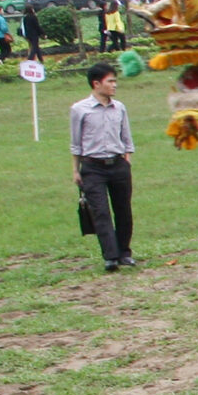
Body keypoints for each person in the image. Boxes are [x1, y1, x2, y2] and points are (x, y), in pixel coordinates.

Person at [70, 63, 138, 272]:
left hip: (118, 164)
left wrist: (126, 158)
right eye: (110, 81)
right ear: (96, 83)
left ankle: (124, 253)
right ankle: (110, 256)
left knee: (123, 210)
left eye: (115, 81)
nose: (114, 85)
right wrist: (76, 170)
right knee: (100, 212)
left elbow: (126, 137)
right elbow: (76, 143)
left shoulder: (120, 107)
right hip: (93, 167)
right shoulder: (80, 109)